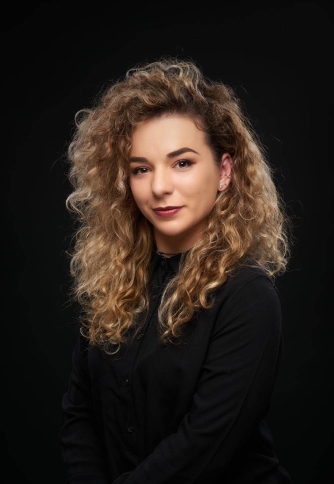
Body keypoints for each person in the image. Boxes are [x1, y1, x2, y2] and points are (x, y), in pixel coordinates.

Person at [59, 57, 294, 484]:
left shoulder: (248, 295)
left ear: (224, 171)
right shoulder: (112, 283)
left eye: (182, 162)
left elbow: (203, 449)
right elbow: (80, 415)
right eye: (141, 169)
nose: (159, 186)